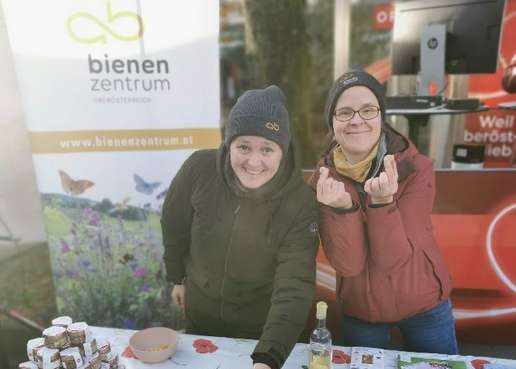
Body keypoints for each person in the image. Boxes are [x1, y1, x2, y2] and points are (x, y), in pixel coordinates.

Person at [161, 85, 319, 369]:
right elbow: (174, 224)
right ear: (228, 144)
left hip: (260, 331)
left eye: (267, 149)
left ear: (283, 152)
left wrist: (268, 358)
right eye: (243, 146)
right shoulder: (199, 168)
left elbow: (294, 285)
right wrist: (176, 277)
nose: (253, 161)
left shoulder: (300, 202)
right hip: (201, 318)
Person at [309, 70, 458, 354]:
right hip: (363, 310)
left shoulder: (415, 167)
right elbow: (349, 265)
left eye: (368, 110)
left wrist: (381, 204)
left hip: (424, 304)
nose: (356, 120)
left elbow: (393, 260)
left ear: (381, 116)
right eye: (344, 112)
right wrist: (343, 208)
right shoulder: (323, 180)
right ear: (333, 122)